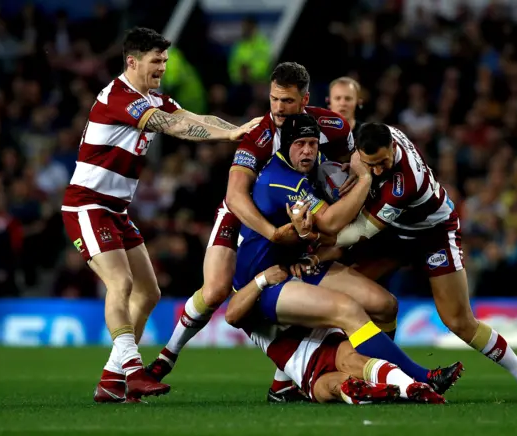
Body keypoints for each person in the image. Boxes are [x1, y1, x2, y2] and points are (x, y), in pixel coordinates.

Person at [61, 27, 259, 403]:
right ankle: (133, 372)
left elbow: (191, 115)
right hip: (88, 204)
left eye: (165, 61)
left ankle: (110, 380)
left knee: (149, 292)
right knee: (120, 286)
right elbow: (175, 126)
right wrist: (227, 136)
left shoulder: (150, 96)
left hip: (116, 209)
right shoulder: (119, 98)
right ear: (132, 62)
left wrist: (240, 130)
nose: (162, 68)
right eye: (156, 61)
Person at [288, 123, 517, 404]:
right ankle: (382, 377)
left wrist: (314, 238)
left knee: (458, 321)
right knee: (347, 292)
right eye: (370, 164)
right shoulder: (378, 136)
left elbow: (358, 233)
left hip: (432, 234)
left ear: (393, 148)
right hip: (396, 231)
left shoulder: (406, 181)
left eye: (382, 163)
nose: (378, 170)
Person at [147, 62, 359, 400]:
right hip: (243, 214)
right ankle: (167, 356)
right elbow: (235, 194)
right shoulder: (260, 135)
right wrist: (273, 233)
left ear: (305, 101)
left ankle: (283, 381)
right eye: (273, 99)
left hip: (294, 213)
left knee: (304, 279)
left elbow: (348, 161)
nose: (276, 108)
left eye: (286, 101)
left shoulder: (332, 127)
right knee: (216, 290)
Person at [231, 114, 462, 396]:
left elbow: (315, 232)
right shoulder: (282, 181)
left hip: (299, 266)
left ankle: (380, 375)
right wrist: (364, 177)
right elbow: (328, 223)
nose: (307, 151)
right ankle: (418, 377)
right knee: (347, 310)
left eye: (313, 143)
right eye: (300, 144)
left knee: (385, 304)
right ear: (285, 145)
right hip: (266, 282)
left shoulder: (313, 164)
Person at [224, 264, 446, 404]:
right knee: (331, 387)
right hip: (307, 373)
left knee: (352, 361)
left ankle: (411, 387)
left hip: (328, 345)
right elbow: (232, 315)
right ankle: (380, 390)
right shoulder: (248, 304)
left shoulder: (291, 278)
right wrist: (262, 279)